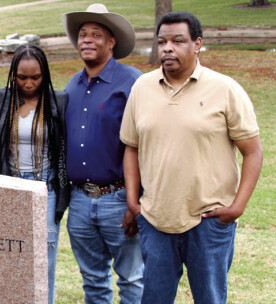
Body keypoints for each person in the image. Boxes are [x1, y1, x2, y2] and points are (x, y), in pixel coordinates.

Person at [120, 11, 263, 304]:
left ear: (197, 44)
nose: (167, 48)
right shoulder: (142, 88)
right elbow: (131, 148)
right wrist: (134, 203)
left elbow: (253, 151)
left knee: (209, 298)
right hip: (156, 219)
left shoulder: (225, 89)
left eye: (177, 41)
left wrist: (237, 207)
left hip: (209, 221)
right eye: (162, 42)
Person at [62, 4, 144, 303]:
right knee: (93, 280)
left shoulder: (133, 82)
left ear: (112, 42)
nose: (87, 40)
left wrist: (137, 202)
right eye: (83, 34)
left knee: (132, 279)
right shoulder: (72, 84)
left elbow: (146, 145)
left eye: (96, 34)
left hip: (120, 198)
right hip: (81, 201)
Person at [0, 44, 68, 304]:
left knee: (44, 257)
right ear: (13, 74)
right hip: (11, 185)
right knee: (11, 257)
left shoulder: (57, 100)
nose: (28, 83)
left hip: (44, 187)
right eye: (21, 77)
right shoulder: (3, 99)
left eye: (35, 77)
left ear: (44, 74)